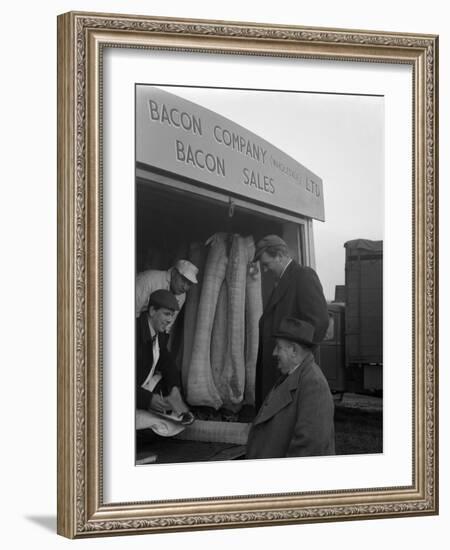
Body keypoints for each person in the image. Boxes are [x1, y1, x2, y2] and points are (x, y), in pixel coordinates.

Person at [254, 234, 329, 410]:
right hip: (278, 368)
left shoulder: (303, 276)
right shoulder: (280, 283)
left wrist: (297, 359)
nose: (265, 270)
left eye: (266, 264)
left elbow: (319, 322)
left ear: (280, 256)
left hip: (289, 370)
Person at [246, 317, 335, 459]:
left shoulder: (313, 384)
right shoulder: (293, 375)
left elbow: (310, 448)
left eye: (279, 347)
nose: (274, 353)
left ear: (294, 350)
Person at [136, 289, 194, 425]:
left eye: (172, 315)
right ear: (152, 311)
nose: (169, 320)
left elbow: (167, 362)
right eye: (166, 314)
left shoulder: (158, 333)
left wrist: (175, 389)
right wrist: (148, 399)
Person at [135, 259, 199, 326]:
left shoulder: (182, 295)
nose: (185, 287)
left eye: (189, 284)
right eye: (183, 280)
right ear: (174, 272)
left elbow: (168, 325)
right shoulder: (148, 280)